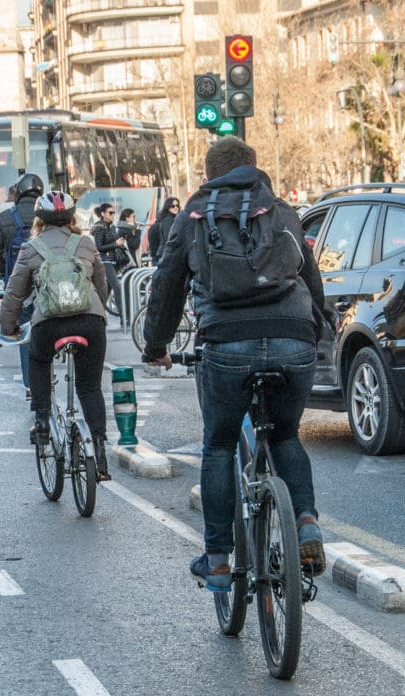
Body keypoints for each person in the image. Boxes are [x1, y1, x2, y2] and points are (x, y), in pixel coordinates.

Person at [141, 136, 329, 592]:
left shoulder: (193, 214)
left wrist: (156, 345)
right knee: (285, 435)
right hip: (292, 339)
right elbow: (310, 276)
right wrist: (316, 330)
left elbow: (166, 284)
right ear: (254, 166)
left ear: (209, 174)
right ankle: (305, 522)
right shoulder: (281, 210)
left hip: (226, 344)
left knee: (220, 445)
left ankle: (219, 560)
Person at [0, 191, 111, 479]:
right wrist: (98, 314)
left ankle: (41, 421)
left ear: (39, 220)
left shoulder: (30, 249)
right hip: (89, 322)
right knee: (90, 387)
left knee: (38, 359)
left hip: (49, 324)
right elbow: (102, 286)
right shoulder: (86, 243)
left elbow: (14, 294)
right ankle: (99, 447)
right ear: (72, 218)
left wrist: (8, 327)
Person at [0, 173, 44, 393]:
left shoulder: (5, 217)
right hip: (45, 285)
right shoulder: (47, 215)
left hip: (18, 287)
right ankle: (47, 374)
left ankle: (31, 385)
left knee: (24, 335)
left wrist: (4, 273)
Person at [90, 203, 125, 327]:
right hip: (105, 261)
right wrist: (116, 244)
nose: (113, 215)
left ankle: (98, 317)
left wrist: (120, 242)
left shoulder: (111, 226)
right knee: (117, 288)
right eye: (110, 213)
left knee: (107, 291)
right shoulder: (99, 228)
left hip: (113, 260)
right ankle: (124, 318)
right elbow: (99, 247)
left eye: (114, 212)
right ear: (103, 214)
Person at [146, 197, 180, 266]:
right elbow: (169, 238)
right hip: (166, 255)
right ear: (167, 207)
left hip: (164, 254)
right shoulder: (169, 220)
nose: (176, 207)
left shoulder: (170, 219)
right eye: (173, 206)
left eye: (177, 205)